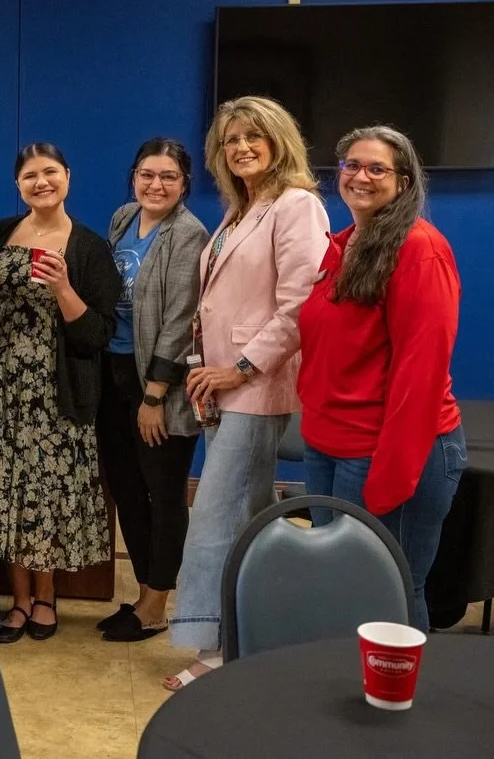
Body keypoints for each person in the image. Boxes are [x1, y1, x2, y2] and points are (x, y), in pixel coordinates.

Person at [164, 96, 329, 691]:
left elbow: (301, 304)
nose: (241, 148)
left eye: (253, 136)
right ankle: (249, 635)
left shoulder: (297, 205)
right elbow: (222, 304)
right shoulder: (242, 210)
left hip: (255, 386)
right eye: (231, 140)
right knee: (243, 514)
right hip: (221, 385)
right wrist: (205, 365)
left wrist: (239, 366)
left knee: (218, 516)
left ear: (279, 139)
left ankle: (218, 648)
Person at [298, 126, 465, 630]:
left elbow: (422, 369)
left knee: (385, 586)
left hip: (385, 451)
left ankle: (396, 701)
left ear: (405, 181)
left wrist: (392, 477)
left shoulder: (419, 249)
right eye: (351, 165)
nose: (360, 176)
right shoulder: (345, 245)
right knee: (340, 579)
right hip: (328, 443)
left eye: (377, 168)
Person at [0, 142, 122, 643]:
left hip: (57, 394)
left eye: (50, 172)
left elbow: (97, 334)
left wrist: (63, 288)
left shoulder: (87, 247)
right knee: (8, 495)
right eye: (30, 176)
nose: (41, 182)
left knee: (47, 496)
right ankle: (16, 602)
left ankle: (46, 597)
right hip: (1, 389)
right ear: (17, 185)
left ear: (68, 177)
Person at [96, 139, 210, 642]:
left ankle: (157, 604)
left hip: (159, 387)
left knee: (163, 494)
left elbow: (182, 320)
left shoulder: (188, 234)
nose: (155, 185)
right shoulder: (124, 218)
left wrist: (155, 395)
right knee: (125, 489)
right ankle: (144, 591)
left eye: (167, 177)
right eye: (146, 174)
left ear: (184, 183)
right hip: (115, 374)